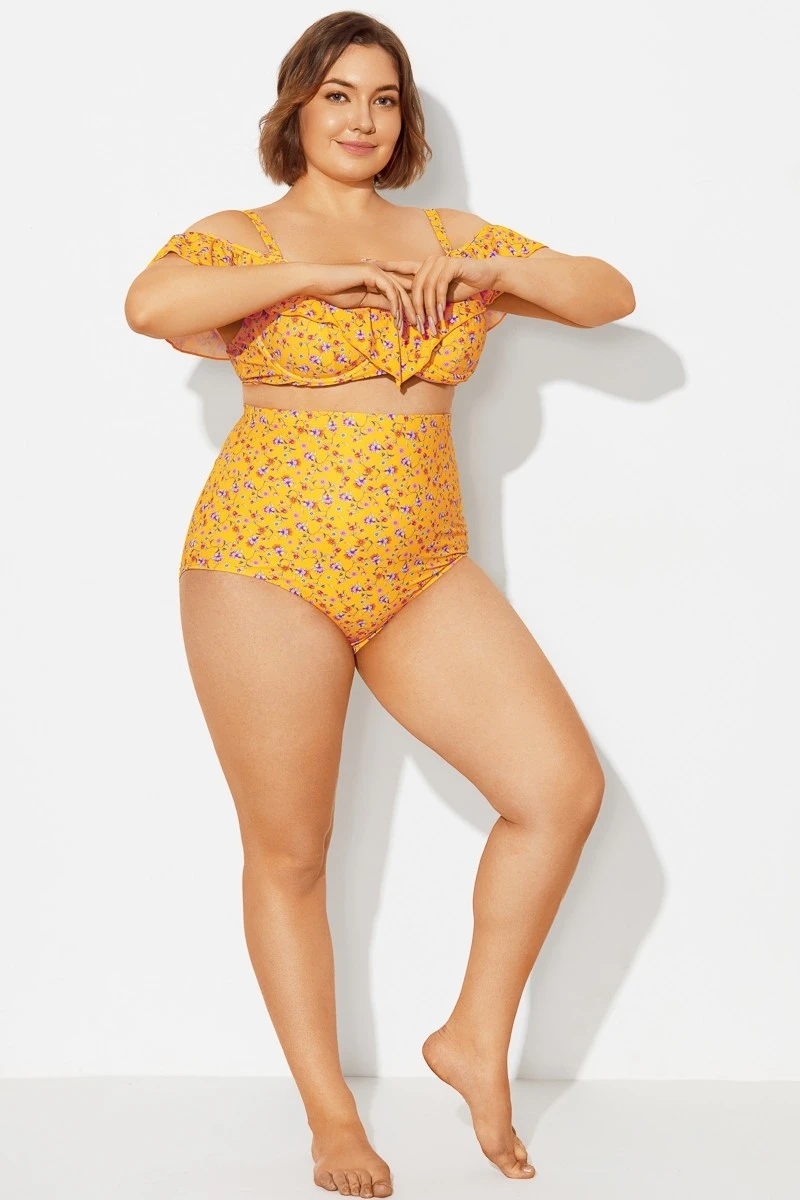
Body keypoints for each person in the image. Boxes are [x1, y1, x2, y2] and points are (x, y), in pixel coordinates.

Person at [125, 10, 635, 1197]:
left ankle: (470, 1036)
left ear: (403, 120)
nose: (362, 118)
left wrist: (489, 273)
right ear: (296, 108)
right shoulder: (242, 237)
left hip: (420, 567)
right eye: (338, 95)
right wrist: (324, 272)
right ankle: (330, 1120)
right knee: (290, 853)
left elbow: (604, 294)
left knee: (557, 791)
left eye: (384, 98)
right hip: (263, 563)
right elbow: (151, 307)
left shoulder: (445, 236)